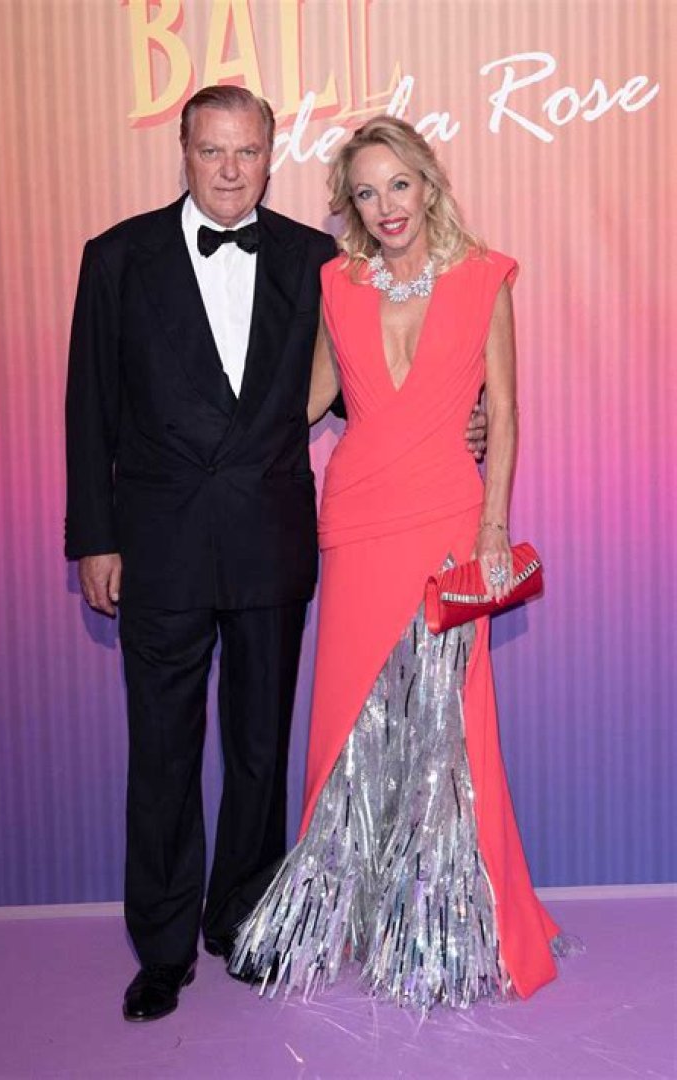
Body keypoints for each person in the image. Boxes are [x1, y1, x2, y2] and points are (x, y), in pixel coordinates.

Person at [65, 86, 489, 1022]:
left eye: (247, 151)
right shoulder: (117, 257)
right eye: (212, 150)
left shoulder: (318, 261)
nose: (230, 169)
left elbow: (382, 369)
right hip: (159, 546)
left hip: (269, 539)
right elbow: (88, 405)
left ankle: (243, 920)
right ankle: (163, 951)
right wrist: (94, 537)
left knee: (260, 750)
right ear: (184, 151)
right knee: (163, 753)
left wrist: (465, 418)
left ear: (270, 156)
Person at [230, 116, 565, 1011]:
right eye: (366, 192)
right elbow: (311, 399)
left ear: (428, 182)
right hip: (357, 515)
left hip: (450, 517)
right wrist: (221, 416)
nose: (386, 207)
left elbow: (506, 411)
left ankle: (446, 924)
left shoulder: (484, 275)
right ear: (350, 204)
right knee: (350, 722)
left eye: (399, 185)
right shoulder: (337, 284)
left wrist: (494, 525)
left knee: (445, 725)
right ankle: (348, 914)